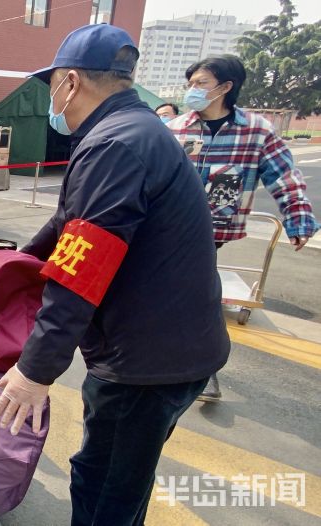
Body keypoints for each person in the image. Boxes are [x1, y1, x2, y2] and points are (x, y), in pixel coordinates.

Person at [0, 25, 230, 526]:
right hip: (173, 348)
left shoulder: (115, 145)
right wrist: (6, 264)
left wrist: (35, 372)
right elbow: (69, 226)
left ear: (71, 82)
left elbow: (81, 270)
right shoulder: (130, 131)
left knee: (105, 488)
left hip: (144, 364)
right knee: (122, 477)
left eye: (51, 84)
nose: (52, 96)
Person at [166, 55, 319, 401]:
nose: (193, 90)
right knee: (181, 298)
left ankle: (202, 372)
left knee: (197, 299)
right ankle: (183, 369)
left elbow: (284, 177)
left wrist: (298, 219)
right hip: (169, 228)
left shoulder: (256, 131)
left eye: (201, 83)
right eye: (190, 84)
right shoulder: (175, 129)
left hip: (214, 231)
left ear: (226, 87)